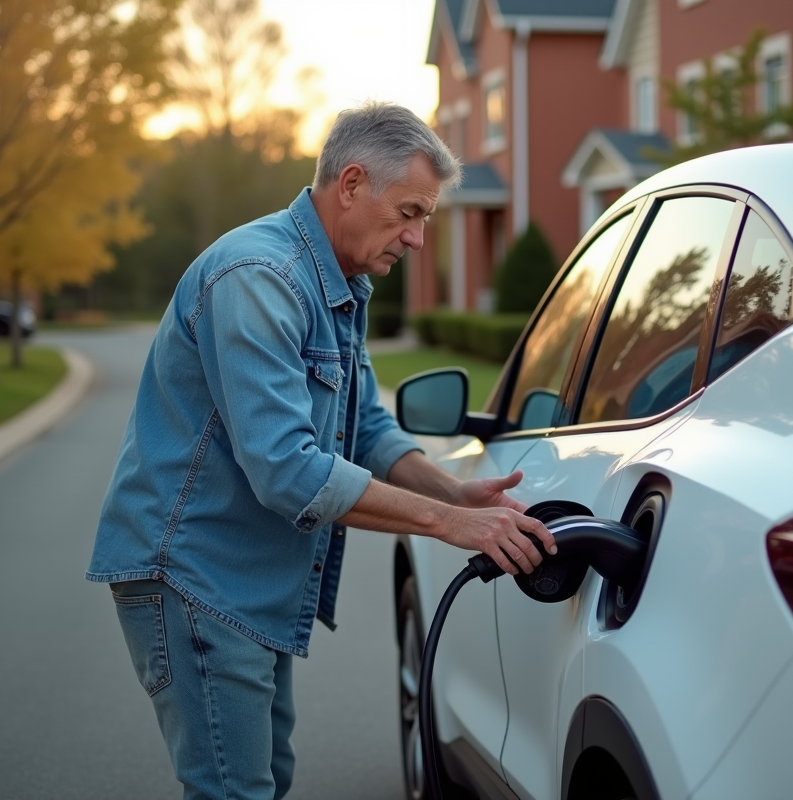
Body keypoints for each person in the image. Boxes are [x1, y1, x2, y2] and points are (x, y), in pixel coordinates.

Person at [86, 102, 555, 800]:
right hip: (195, 576)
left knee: (264, 782)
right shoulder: (258, 278)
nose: (420, 238)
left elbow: (363, 424)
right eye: (411, 212)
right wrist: (447, 525)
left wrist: (450, 492)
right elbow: (288, 471)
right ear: (353, 183)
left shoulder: (340, 284)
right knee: (235, 791)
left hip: (245, 583)